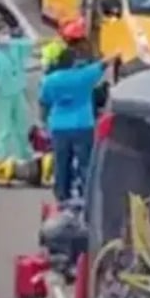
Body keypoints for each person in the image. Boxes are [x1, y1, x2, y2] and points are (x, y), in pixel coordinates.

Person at [39, 49, 109, 202]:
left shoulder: (50, 80)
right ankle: (87, 196)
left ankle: (62, 197)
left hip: (59, 127)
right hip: (82, 126)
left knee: (61, 164)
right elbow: (103, 64)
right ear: (73, 62)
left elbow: (44, 102)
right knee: (85, 164)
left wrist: (44, 123)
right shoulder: (83, 76)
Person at [0, 26, 34, 162]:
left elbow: (30, 45)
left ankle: (25, 154)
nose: (4, 36)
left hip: (17, 91)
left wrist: (17, 38)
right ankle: (0, 158)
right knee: (3, 129)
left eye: (6, 33)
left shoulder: (15, 48)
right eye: (1, 33)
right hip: (1, 95)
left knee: (21, 125)